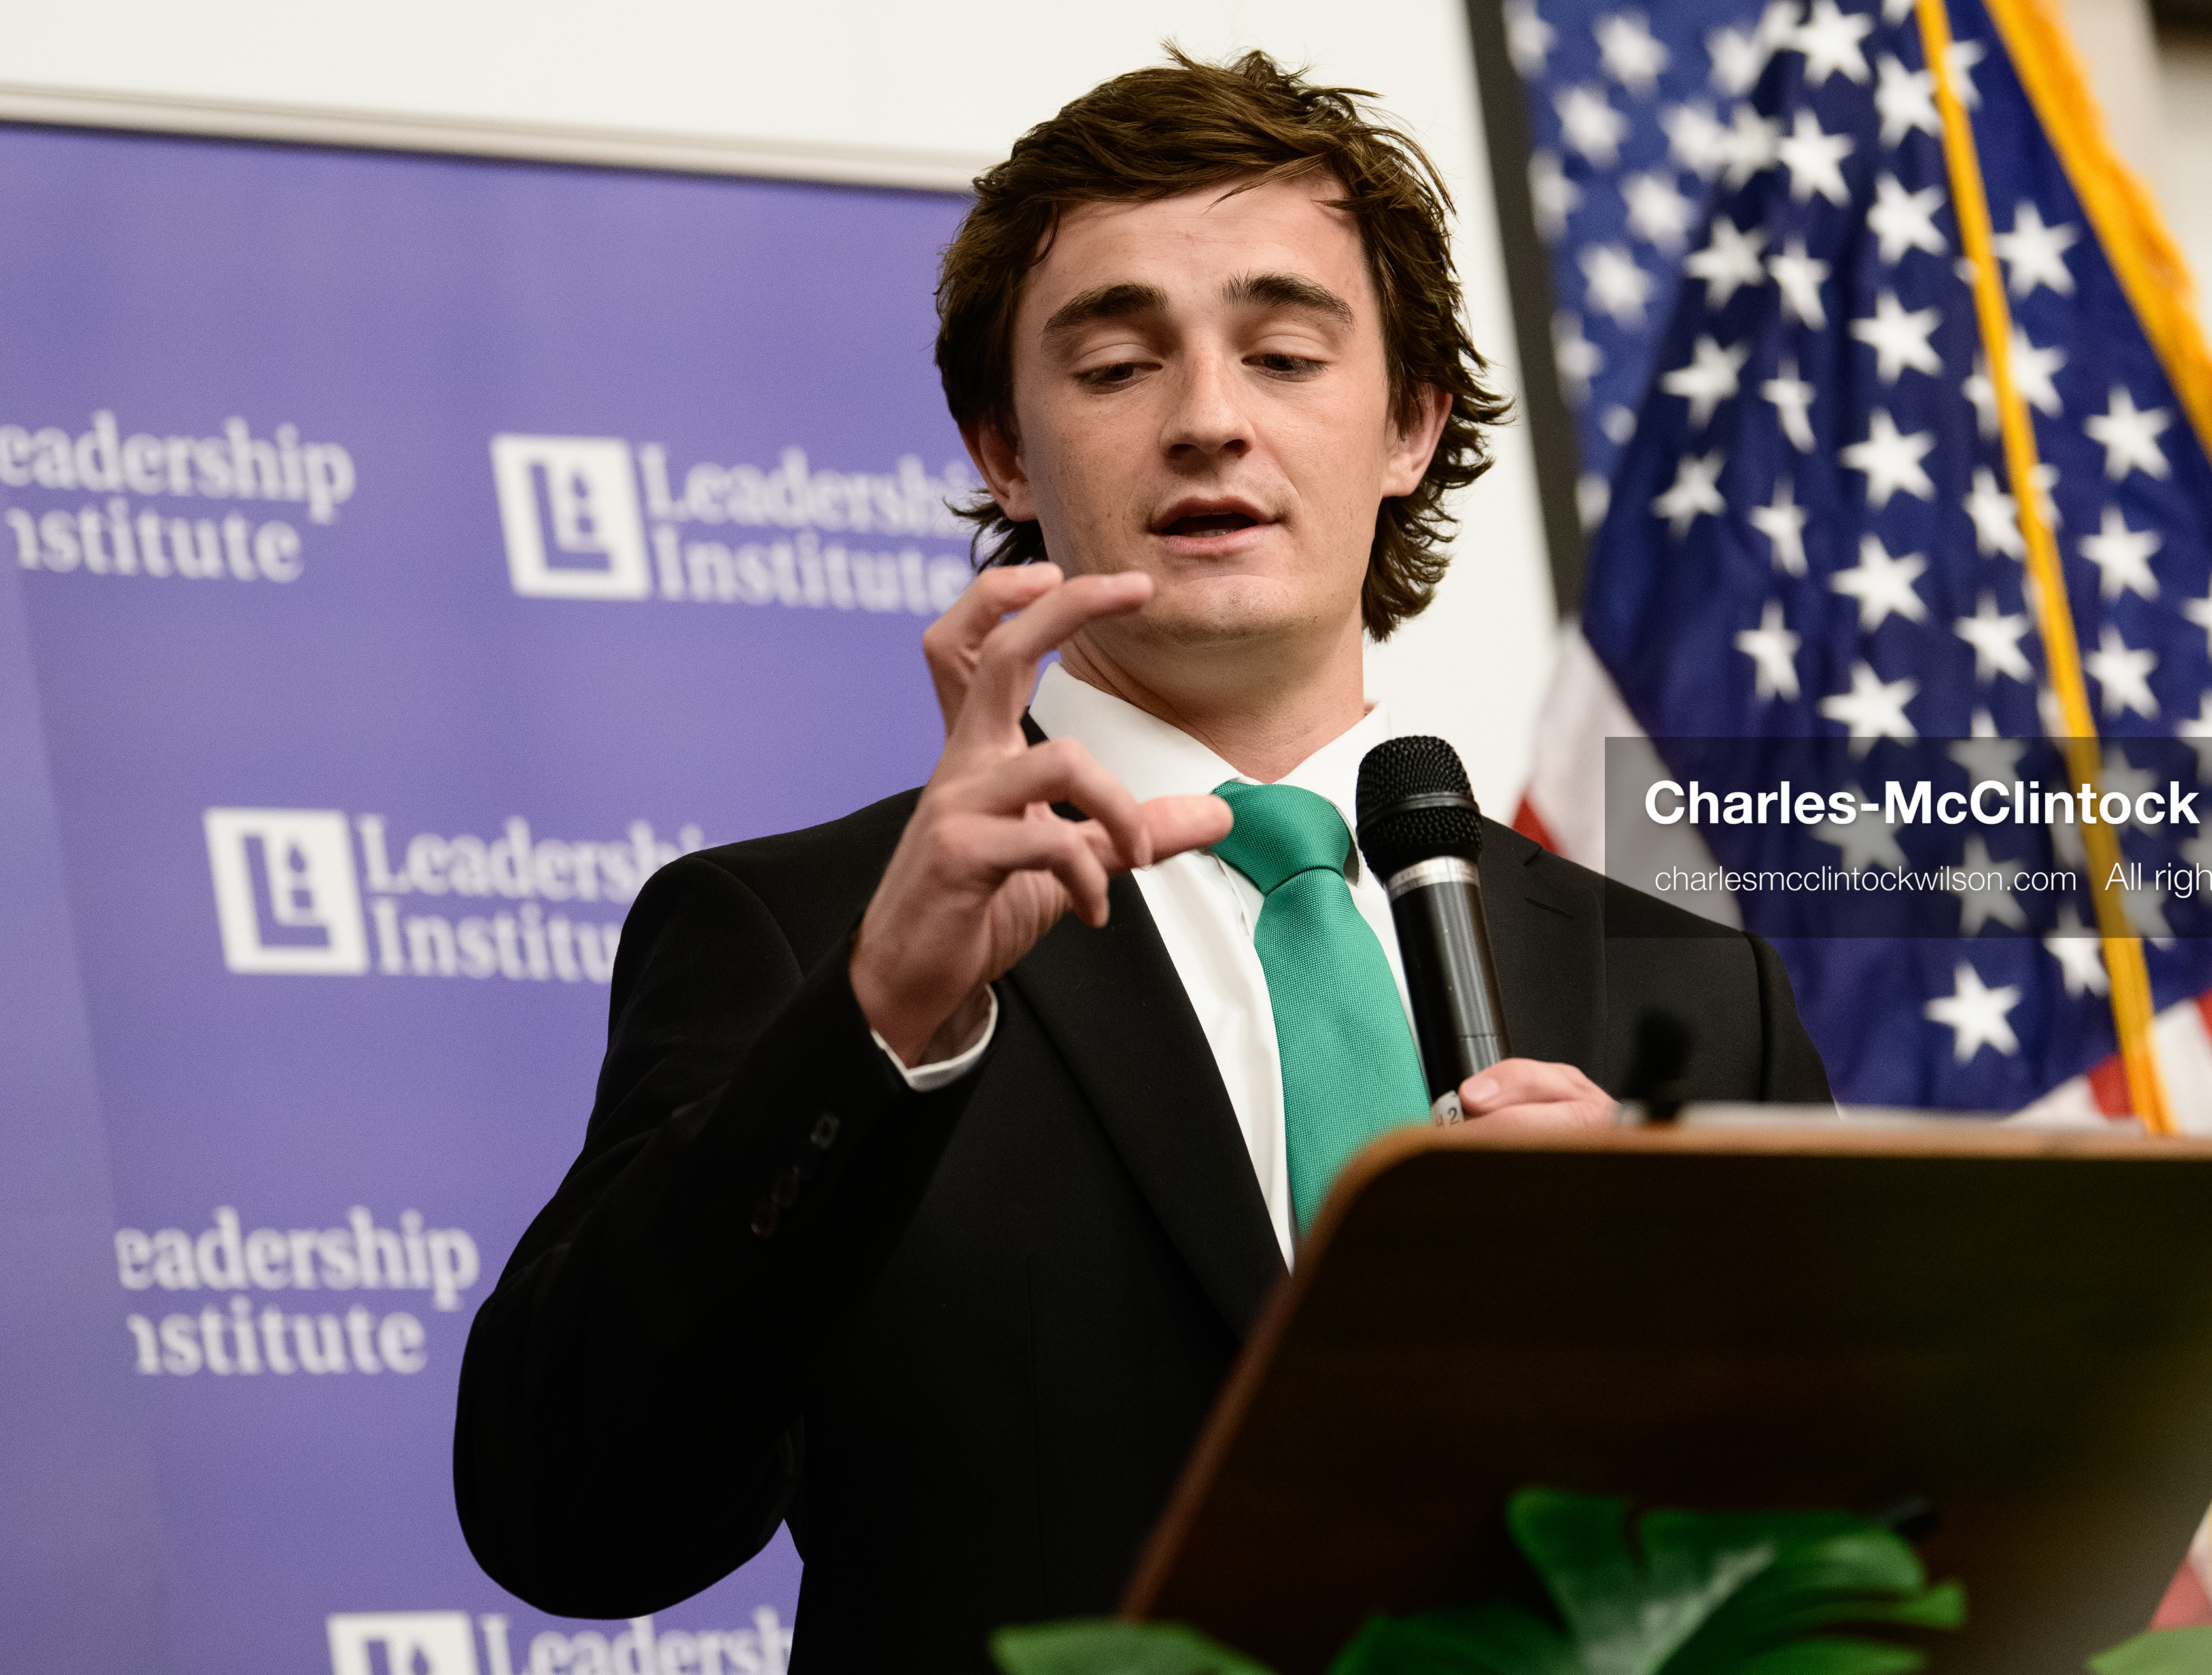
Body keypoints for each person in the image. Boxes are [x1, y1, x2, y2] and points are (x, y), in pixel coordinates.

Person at [455, 48, 1831, 1672]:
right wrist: (882, 1024)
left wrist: (1686, 1343)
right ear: (1005, 455)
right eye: (1115, 366)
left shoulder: (1689, 981)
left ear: (1409, 425)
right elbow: (574, 1518)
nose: (1208, 419)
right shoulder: (811, 938)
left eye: (1285, 352)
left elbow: (1884, 1555)